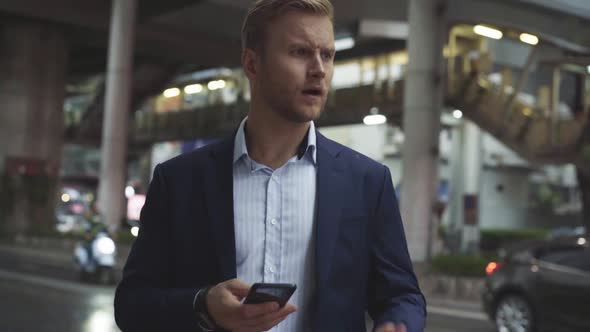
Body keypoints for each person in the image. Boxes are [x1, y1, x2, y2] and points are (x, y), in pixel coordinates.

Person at [114, 0, 426, 331]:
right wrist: (203, 304)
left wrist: (398, 323)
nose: (319, 69)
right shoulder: (179, 181)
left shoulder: (366, 183)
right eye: (300, 52)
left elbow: (402, 295)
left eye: (328, 55)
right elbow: (132, 304)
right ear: (252, 63)